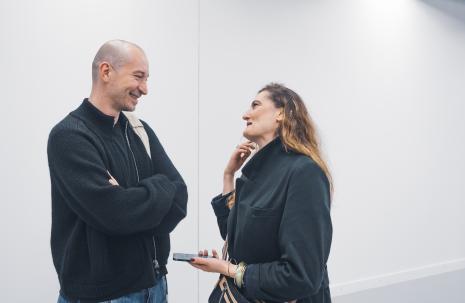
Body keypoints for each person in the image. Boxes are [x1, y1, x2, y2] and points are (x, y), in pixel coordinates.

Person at [47, 40, 187, 303]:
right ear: (106, 71)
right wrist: (158, 190)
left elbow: (179, 198)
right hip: (104, 297)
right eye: (138, 76)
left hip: (155, 288)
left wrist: (133, 197)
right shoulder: (70, 137)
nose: (144, 89)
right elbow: (115, 214)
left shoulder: (139, 130)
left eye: (147, 79)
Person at [190, 83, 333, 303]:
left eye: (256, 105)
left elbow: (301, 276)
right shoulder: (257, 172)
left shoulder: (304, 172)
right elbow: (233, 235)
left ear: (282, 113)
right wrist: (228, 176)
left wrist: (228, 269)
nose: (245, 114)